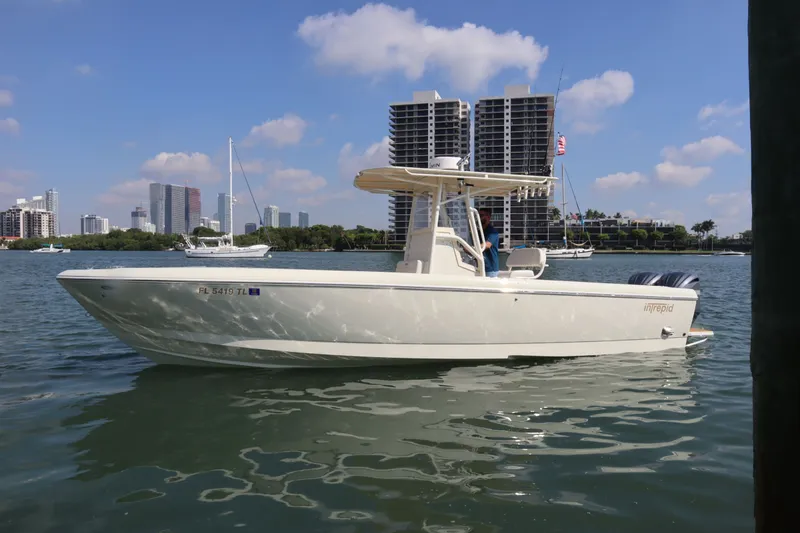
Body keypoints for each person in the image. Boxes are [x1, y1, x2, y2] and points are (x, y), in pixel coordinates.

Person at [478, 208, 500, 277]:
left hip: (491, 270)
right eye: (478, 216)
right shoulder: (479, 232)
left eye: (481, 215)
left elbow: (487, 245)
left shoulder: (492, 232)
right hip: (481, 267)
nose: (479, 218)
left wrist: (471, 247)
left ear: (488, 217)